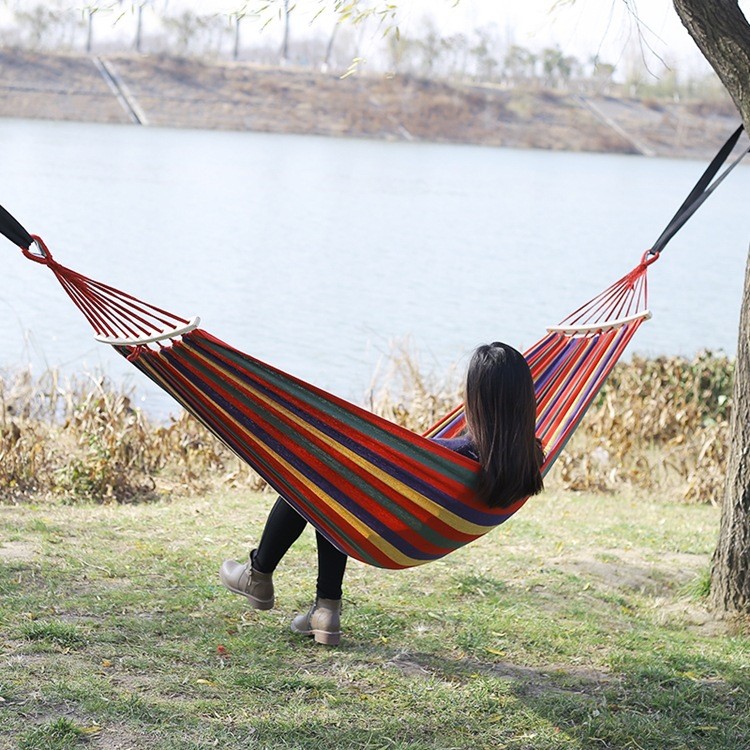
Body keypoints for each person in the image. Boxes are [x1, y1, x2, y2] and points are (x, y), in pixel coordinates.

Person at [219, 341, 544, 646]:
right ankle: (325, 611)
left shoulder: (453, 454)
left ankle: (259, 574)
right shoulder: (530, 458)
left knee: (322, 477)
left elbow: (396, 460)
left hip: (396, 528)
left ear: (477, 399)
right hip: (425, 532)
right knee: (332, 481)